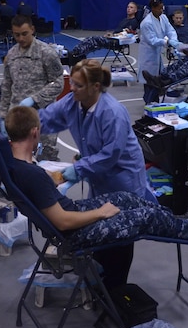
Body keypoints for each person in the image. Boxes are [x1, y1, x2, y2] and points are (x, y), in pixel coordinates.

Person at [6, 105, 188, 251]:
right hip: (73, 233)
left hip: (72, 214)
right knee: (144, 216)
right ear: (35, 132)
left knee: (127, 198)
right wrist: (100, 213)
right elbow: (63, 222)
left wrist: (56, 175)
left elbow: (43, 182)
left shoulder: (19, 165)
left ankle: (182, 221)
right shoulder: (32, 174)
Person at [38, 59, 155, 289]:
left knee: (121, 235)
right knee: (103, 229)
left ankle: (115, 288)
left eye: (78, 85)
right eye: (71, 83)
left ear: (95, 87)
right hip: (100, 177)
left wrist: (76, 170)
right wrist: (23, 126)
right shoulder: (73, 102)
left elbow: (110, 155)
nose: (71, 89)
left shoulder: (112, 112)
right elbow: (48, 117)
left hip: (123, 178)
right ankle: (101, 282)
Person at [0, 14, 64, 161]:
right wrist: (4, 117)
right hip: (17, 120)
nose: (21, 38)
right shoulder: (11, 55)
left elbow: (58, 82)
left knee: (45, 160)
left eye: (24, 34)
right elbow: (6, 87)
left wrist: (34, 99)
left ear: (32, 30)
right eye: (16, 35)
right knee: (19, 163)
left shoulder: (46, 53)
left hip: (42, 119)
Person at [138, 0, 181, 103]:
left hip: (158, 53)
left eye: (162, 8)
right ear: (153, 8)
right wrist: (166, 42)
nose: (161, 11)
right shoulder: (146, 23)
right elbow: (152, 40)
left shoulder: (163, 17)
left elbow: (170, 30)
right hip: (149, 54)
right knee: (150, 80)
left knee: (158, 79)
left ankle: (155, 101)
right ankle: (148, 101)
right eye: (159, 8)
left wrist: (174, 40)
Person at [69, 2, 140, 58]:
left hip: (118, 42)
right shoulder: (124, 20)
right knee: (90, 40)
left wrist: (113, 35)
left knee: (94, 39)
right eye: (128, 7)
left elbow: (126, 34)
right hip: (113, 38)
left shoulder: (133, 22)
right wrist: (111, 34)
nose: (128, 9)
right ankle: (79, 53)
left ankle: (76, 53)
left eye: (131, 7)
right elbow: (118, 31)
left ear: (135, 10)